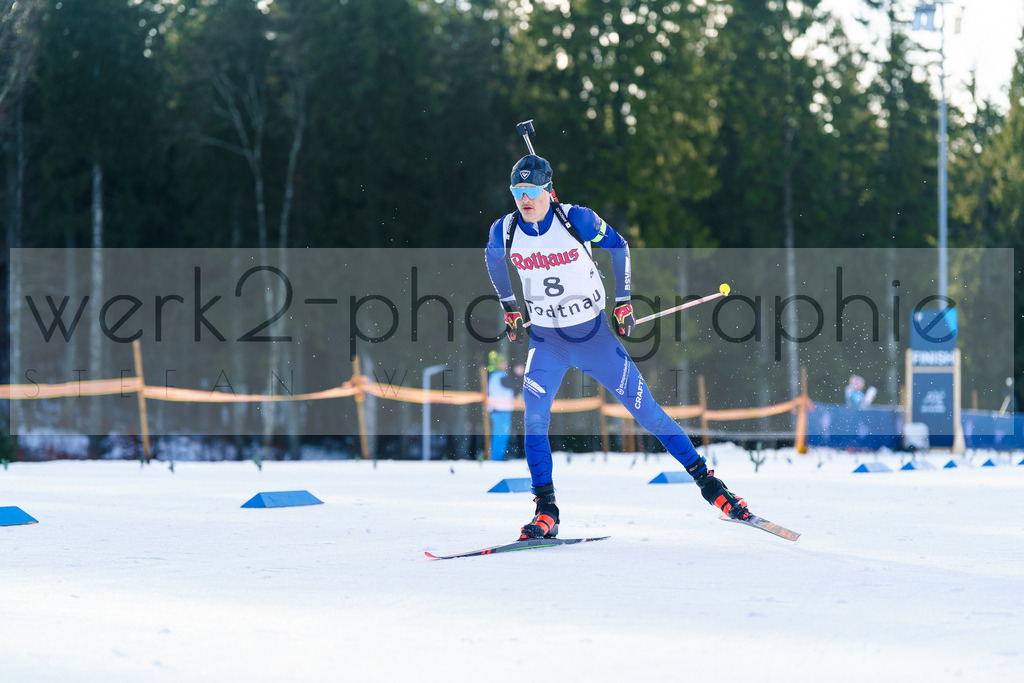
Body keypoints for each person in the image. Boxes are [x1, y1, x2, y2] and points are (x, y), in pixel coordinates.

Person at [484, 153, 752, 540]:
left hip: (594, 337)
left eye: (532, 191)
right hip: (546, 340)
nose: (524, 199)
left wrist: (624, 300)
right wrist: (509, 306)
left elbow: (619, 246)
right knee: (535, 420)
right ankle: (546, 510)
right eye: (517, 191)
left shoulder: (576, 220)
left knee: (649, 415)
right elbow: (493, 261)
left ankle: (713, 488)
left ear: (548, 191)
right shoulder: (505, 230)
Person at [486, 351, 521, 461]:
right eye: (503, 362)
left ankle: (496, 458)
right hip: (500, 411)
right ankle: (496, 459)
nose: (506, 364)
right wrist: (518, 374)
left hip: (499, 410)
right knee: (501, 437)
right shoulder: (499, 376)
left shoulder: (495, 376)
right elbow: (514, 385)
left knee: (500, 436)